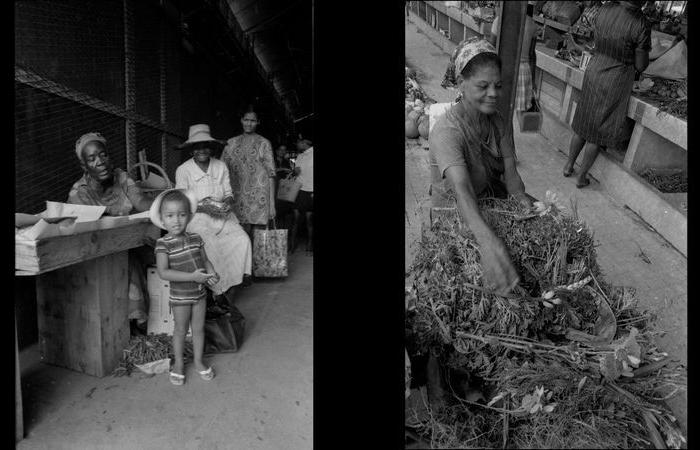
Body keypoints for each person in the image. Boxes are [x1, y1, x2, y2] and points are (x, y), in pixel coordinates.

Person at [429, 37, 533, 295]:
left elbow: (511, 175)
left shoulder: (498, 122)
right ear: (461, 84)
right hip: (455, 217)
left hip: (488, 205)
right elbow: (462, 190)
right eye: (483, 86)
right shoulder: (447, 132)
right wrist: (487, 242)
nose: (494, 94)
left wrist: (524, 204)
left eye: (498, 85)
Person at [67, 132, 153, 331]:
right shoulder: (79, 192)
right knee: (129, 265)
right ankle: (133, 327)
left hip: (127, 242)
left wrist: (165, 202)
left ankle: (143, 324)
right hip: (96, 250)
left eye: (103, 155)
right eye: (92, 159)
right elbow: (93, 229)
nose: (100, 162)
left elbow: (140, 202)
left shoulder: (121, 177)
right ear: (85, 166)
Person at [563, 1, 651, 188]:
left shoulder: (605, 9)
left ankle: (569, 165)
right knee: (598, 130)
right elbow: (641, 65)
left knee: (583, 121)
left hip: (595, 69)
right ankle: (581, 176)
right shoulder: (641, 22)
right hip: (616, 78)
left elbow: (595, 40)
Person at [174, 124, 253, 305]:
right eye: (197, 146)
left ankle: (233, 284)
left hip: (222, 217)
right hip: (196, 218)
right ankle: (218, 291)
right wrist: (203, 207)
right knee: (210, 245)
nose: (202, 150)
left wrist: (226, 202)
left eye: (206, 146)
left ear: (212, 147)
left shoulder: (220, 166)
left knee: (242, 240)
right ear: (191, 149)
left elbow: (228, 192)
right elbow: (181, 201)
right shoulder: (183, 170)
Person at [150, 189, 217, 385]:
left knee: (198, 329)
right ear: (162, 219)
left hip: (199, 295)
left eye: (181, 214)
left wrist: (211, 274)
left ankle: (198, 361)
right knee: (180, 330)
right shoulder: (163, 244)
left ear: (189, 216)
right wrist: (193, 277)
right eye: (170, 216)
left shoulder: (196, 238)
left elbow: (206, 261)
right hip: (180, 297)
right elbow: (164, 272)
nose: (176, 220)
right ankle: (178, 363)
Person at [222, 110, 276, 239]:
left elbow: (271, 175)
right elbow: (221, 171)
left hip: (260, 198)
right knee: (240, 237)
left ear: (258, 122)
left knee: (259, 238)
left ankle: (257, 259)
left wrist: (272, 205)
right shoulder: (230, 143)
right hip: (237, 197)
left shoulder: (264, 143)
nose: (249, 123)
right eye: (246, 120)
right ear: (241, 120)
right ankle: (245, 260)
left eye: (253, 121)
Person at [293, 139, 314, 253]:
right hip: (299, 190)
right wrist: (295, 171)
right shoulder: (300, 156)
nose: (297, 145)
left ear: (305, 142)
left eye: (298, 143)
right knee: (296, 219)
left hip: (311, 190)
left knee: (309, 220)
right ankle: (292, 244)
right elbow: (297, 172)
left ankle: (309, 245)